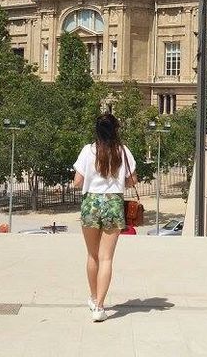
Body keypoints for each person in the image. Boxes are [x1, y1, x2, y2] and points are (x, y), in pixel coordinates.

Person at [72, 109, 136, 323]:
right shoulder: (123, 151)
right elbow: (132, 180)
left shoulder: (87, 151)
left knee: (92, 255)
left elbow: (77, 182)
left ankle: (92, 297)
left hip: (91, 202)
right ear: (115, 130)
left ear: (97, 131)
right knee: (106, 257)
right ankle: (100, 306)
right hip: (113, 203)